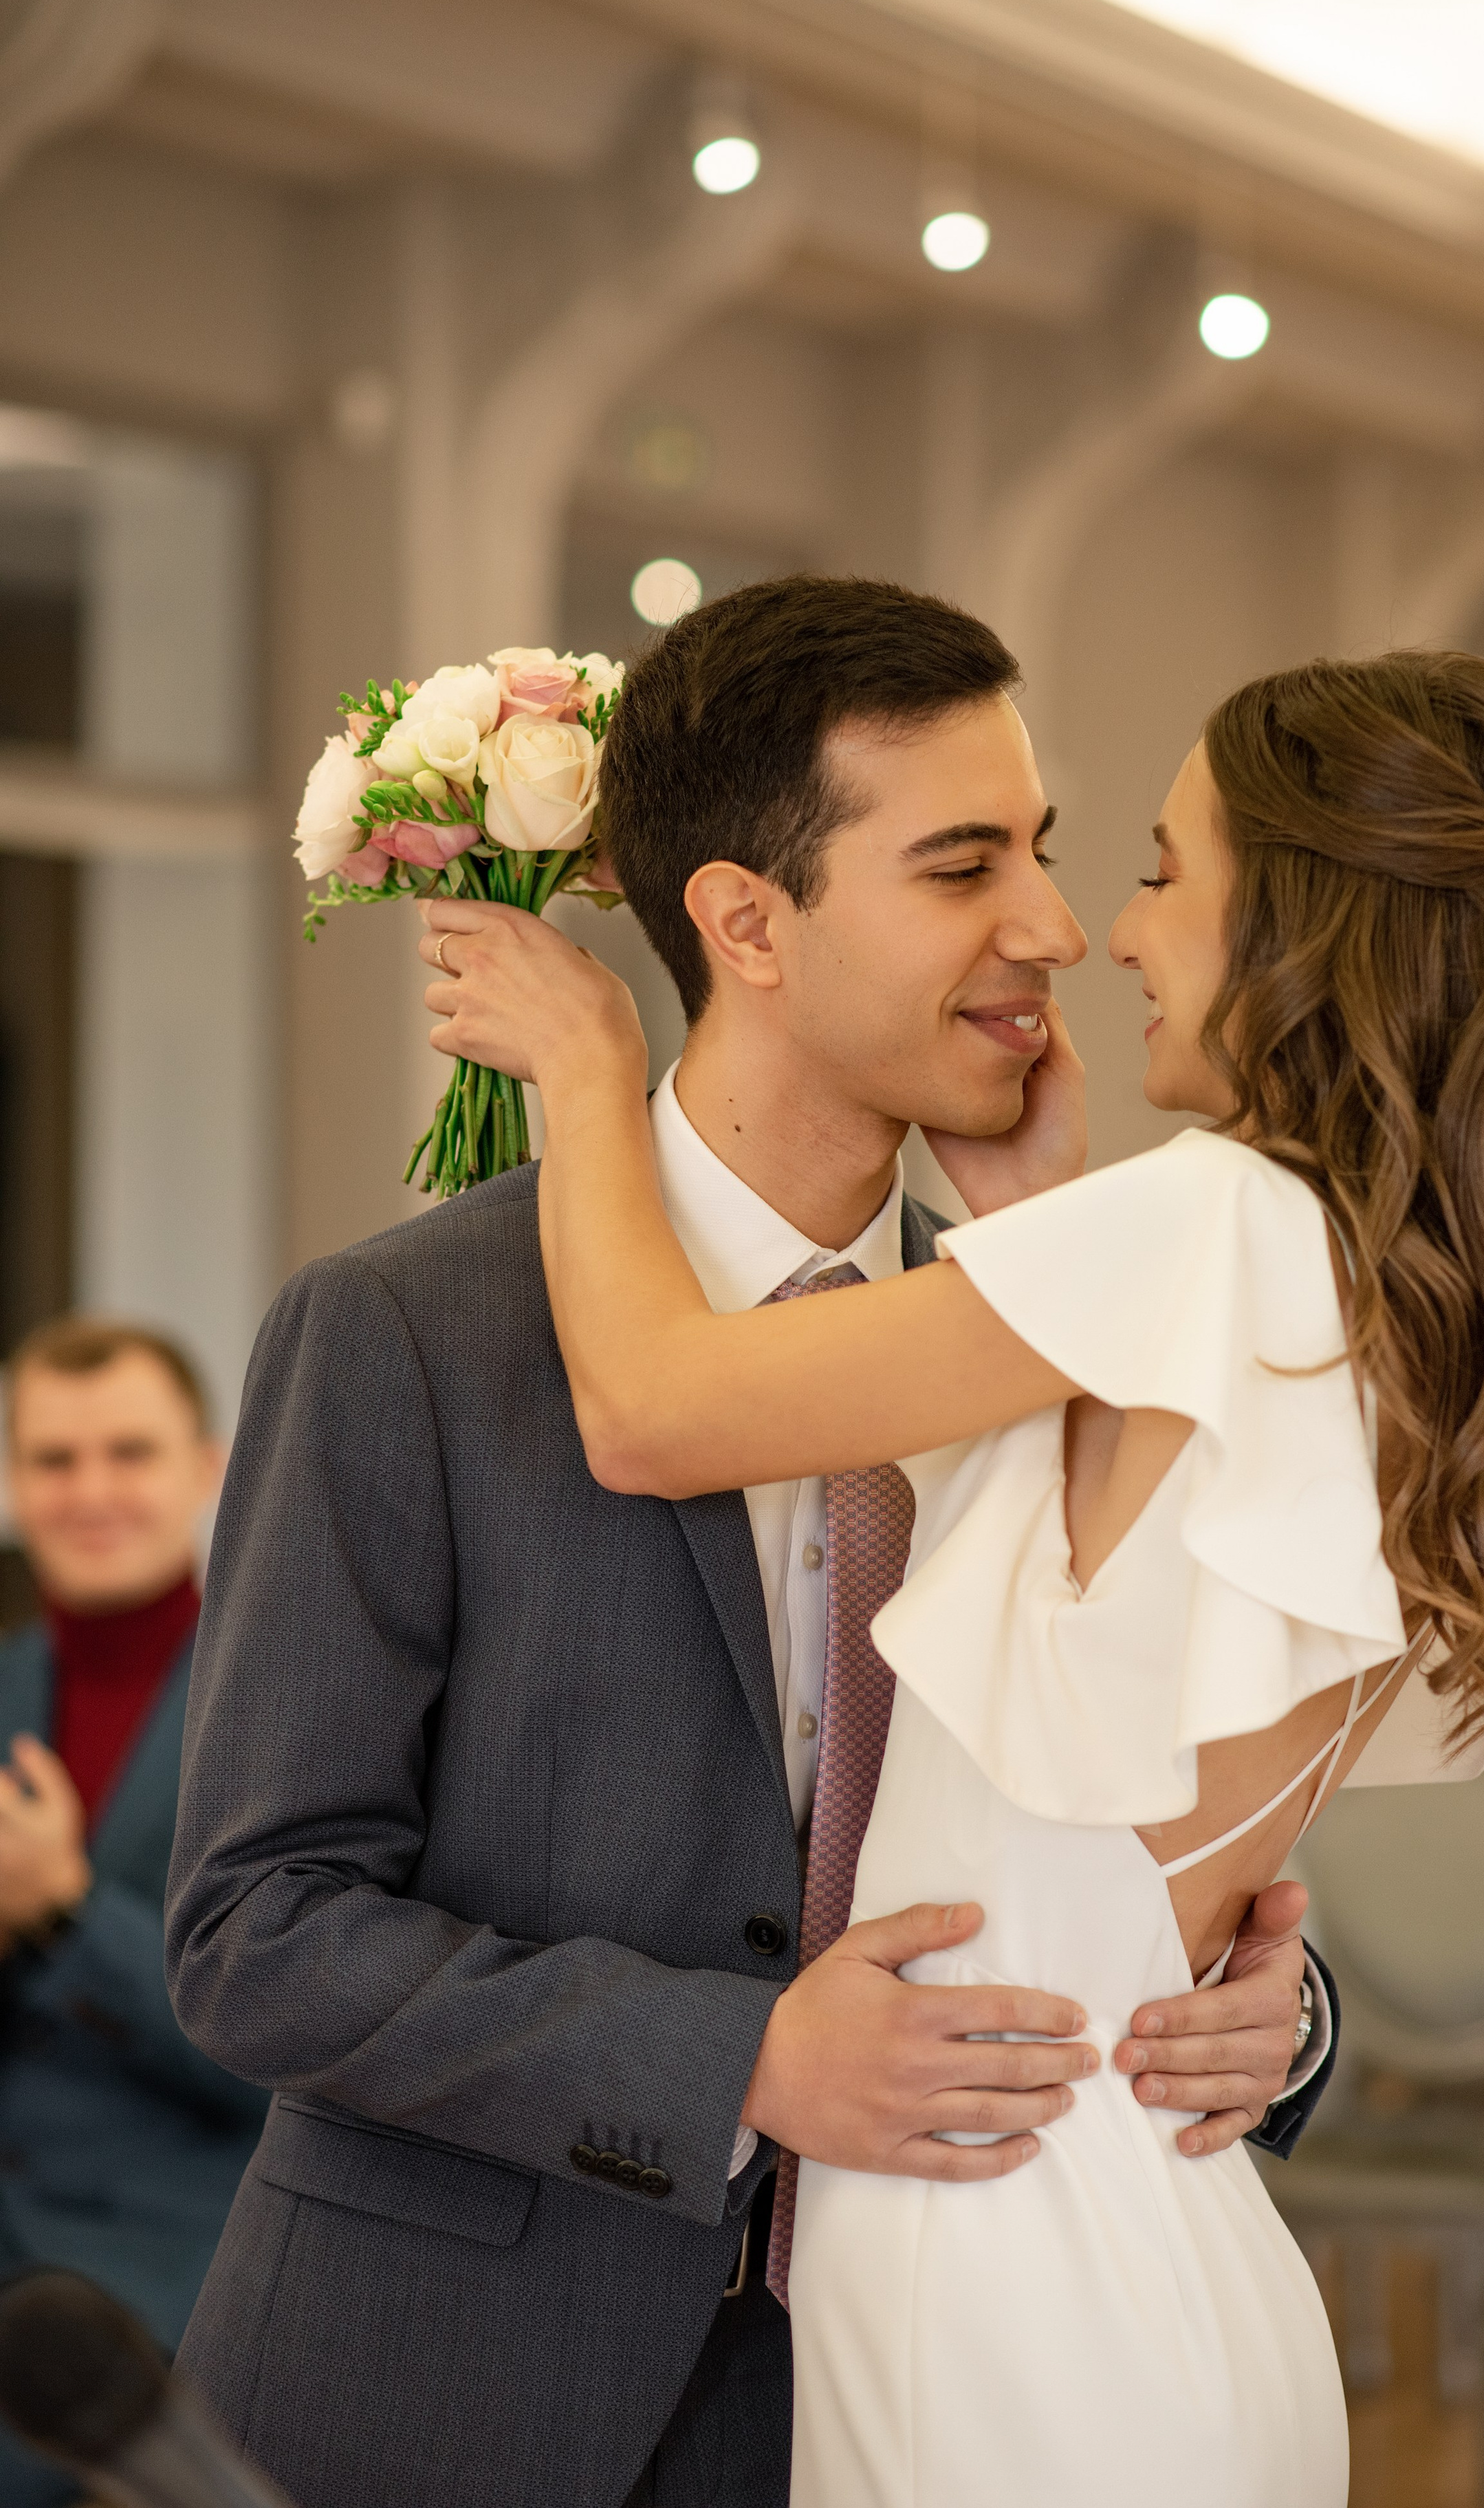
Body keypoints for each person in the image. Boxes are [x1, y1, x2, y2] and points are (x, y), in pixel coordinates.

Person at [419, 643, 1484, 2507]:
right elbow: (1137, 1726)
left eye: (1169, 870)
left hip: (999, 2266)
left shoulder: (1207, 1227)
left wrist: (592, 1062)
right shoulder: (1370, 1278)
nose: (1108, 929)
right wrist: (1038, 1233)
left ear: (1306, 931)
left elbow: (646, 1407)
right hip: (1164, 2240)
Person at [166, 580, 1336, 2508]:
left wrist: (1267, 2013)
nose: (1050, 930)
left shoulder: (1052, 1338)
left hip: (907, 2405)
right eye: (963, 866)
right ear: (744, 922)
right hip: (438, 2402)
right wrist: (735, 2064)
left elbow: (1160, 1824)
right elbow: (253, 1929)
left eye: (1044, 853)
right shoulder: (409, 1334)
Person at [0, 1319, 266, 2508]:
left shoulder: (283, 1706)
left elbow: (286, 2049)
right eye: (54, 1461)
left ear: (208, 1468)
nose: (90, 1490)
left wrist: (64, 1910)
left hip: (175, 2326)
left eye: (130, 1452)